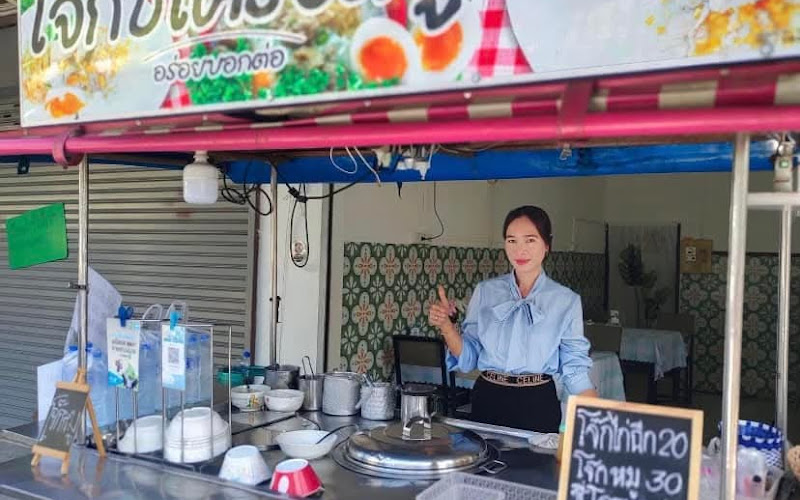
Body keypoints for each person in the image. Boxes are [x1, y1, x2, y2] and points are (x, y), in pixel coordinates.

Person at [429, 205, 597, 432]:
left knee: (536, 467)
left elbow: (574, 369)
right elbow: (468, 358)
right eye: (511, 241)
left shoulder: (566, 301)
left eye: (530, 240)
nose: (520, 250)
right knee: (484, 465)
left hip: (537, 402)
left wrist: (599, 414)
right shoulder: (486, 291)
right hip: (488, 398)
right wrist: (447, 327)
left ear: (547, 245)